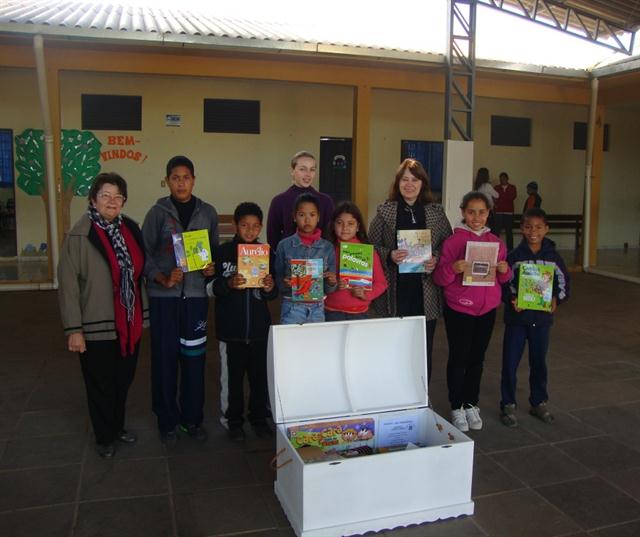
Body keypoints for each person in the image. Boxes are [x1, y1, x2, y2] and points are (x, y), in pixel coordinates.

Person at [58, 173, 148, 458]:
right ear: (93, 200)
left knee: (123, 379)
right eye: (105, 195)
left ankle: (117, 425)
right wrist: (74, 329)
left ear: (124, 200)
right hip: (96, 323)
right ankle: (104, 435)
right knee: (100, 382)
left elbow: (140, 274)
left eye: (117, 196)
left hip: (128, 321)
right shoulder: (79, 235)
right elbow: (69, 285)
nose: (112, 201)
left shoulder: (131, 229)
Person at [142, 155, 218, 445]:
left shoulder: (206, 212)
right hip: (165, 299)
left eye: (186, 177)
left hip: (195, 298)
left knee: (194, 360)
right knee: (164, 359)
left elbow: (212, 252)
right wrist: (162, 278)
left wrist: (210, 269)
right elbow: (144, 254)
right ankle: (167, 420)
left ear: (194, 180)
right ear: (167, 181)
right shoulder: (157, 213)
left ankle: (192, 419)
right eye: (175, 177)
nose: (181, 182)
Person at [433, 191, 512, 432]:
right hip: (460, 309)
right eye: (471, 212)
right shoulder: (453, 241)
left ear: (489, 213)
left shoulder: (496, 243)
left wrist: (504, 270)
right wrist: (453, 268)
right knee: (459, 357)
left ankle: (470, 404)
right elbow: (439, 278)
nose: (476, 217)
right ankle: (456, 406)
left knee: (477, 358)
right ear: (463, 213)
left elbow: (505, 278)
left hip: (487, 309)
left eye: (482, 212)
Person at [368, 158, 452, 381]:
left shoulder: (436, 213)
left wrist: (435, 257)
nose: (409, 184)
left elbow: (448, 244)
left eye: (414, 179)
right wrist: (389, 254)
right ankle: (397, 393)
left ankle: (422, 395)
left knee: (424, 346)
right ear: (397, 183)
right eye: (404, 179)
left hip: (426, 289)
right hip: (396, 289)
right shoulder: (385, 213)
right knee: (396, 345)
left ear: (422, 183)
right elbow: (371, 246)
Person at [206, 202, 277, 441]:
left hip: (259, 330)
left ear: (261, 227)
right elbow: (209, 288)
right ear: (236, 225)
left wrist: (269, 287)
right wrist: (227, 284)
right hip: (231, 331)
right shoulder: (222, 252)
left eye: (255, 226)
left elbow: (272, 292)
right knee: (232, 380)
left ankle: (259, 418)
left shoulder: (267, 252)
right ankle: (233, 421)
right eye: (244, 225)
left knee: (259, 379)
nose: (249, 230)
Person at [499, 208, 570, 427]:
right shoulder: (514, 257)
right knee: (510, 363)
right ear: (521, 228)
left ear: (546, 229)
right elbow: (505, 283)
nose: (533, 232)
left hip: (541, 322)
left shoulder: (554, 258)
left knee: (539, 362)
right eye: (528, 226)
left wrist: (556, 299)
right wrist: (512, 298)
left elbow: (564, 285)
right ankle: (508, 404)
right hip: (517, 321)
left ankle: (538, 402)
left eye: (539, 227)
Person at [275, 192, 337, 324]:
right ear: (294, 217)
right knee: (290, 344)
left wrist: (332, 281)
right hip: (292, 307)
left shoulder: (327, 248)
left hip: (317, 309)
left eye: (312, 215)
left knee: (316, 344)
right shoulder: (284, 246)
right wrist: (286, 283)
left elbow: (330, 289)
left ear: (318, 217)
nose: (307, 220)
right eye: (302, 215)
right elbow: (278, 281)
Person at [324, 201, 388, 321]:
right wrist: (332, 284)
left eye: (350, 224)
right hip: (330, 311)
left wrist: (366, 294)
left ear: (358, 227)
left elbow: (381, 283)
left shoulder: (369, 253)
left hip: (359, 312)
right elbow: (317, 281)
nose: (345, 228)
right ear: (333, 225)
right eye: (339, 223)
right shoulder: (326, 250)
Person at [267, 151, 335, 251]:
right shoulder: (279, 201)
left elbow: (330, 234)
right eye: (303, 169)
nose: (308, 174)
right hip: (288, 259)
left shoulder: (326, 201)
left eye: (312, 170)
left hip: (318, 260)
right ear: (292, 170)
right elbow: (272, 237)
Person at [493, 172, 517, 251]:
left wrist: (500, 198)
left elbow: (512, 197)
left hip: (508, 212)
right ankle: (495, 248)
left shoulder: (512, 187)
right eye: (500, 179)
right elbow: (494, 198)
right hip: (498, 212)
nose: (502, 180)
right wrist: (501, 198)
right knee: (496, 231)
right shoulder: (496, 187)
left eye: (503, 178)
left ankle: (510, 249)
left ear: (507, 179)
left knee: (509, 231)